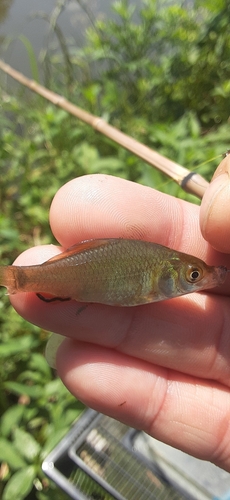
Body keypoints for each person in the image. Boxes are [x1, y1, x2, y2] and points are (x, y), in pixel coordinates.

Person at [10, 155, 230, 472]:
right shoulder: (154, 276)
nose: (197, 281)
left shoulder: (159, 272)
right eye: (193, 276)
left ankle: (21, 280)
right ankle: (19, 280)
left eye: (193, 276)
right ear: (166, 275)